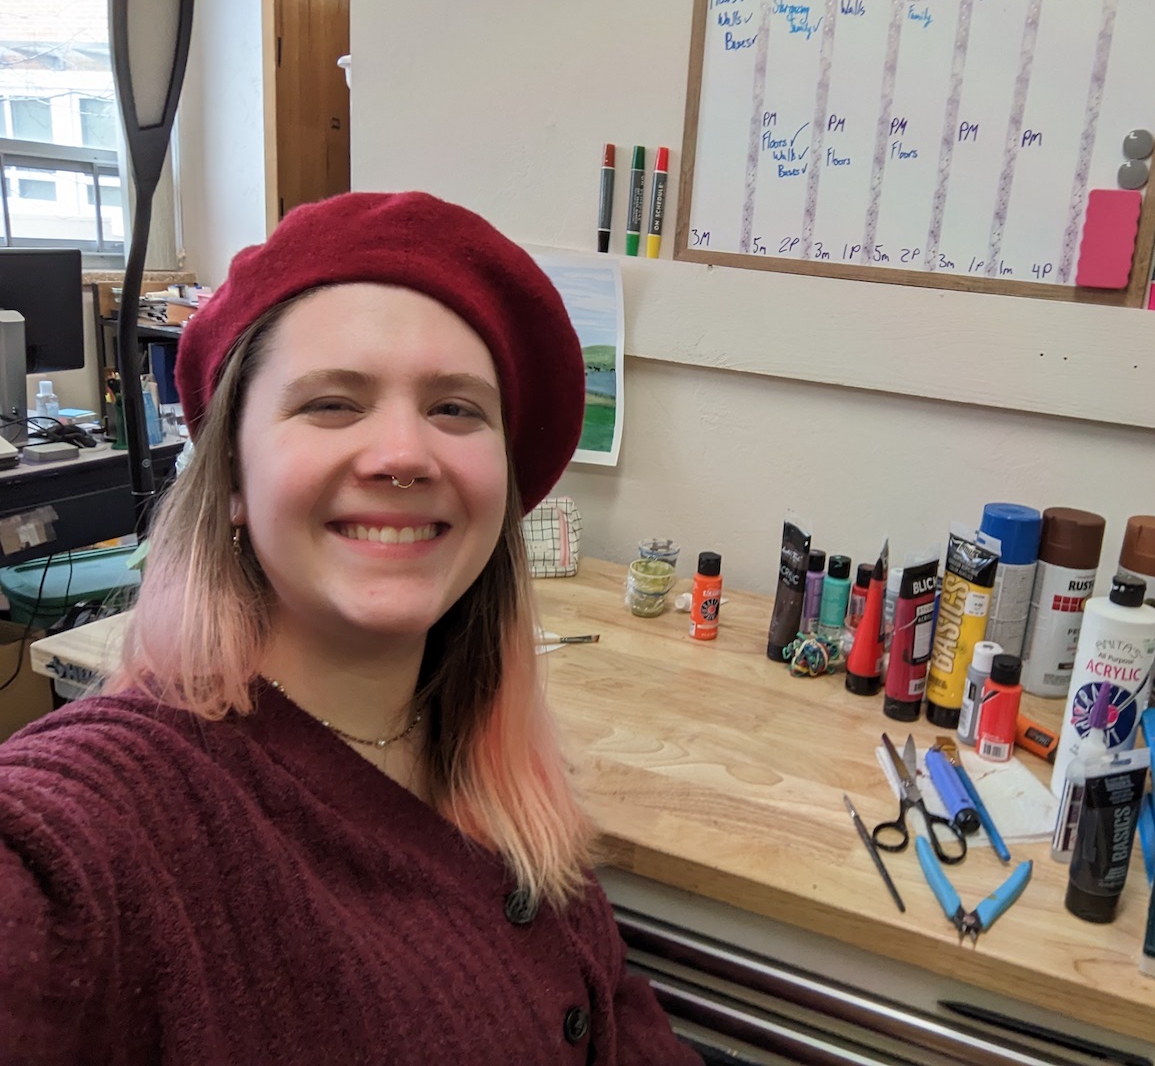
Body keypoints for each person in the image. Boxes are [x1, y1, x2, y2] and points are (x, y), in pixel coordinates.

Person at [0, 192, 703, 1064]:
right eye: (332, 403)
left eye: (456, 408)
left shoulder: (499, 769)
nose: (404, 454)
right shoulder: (113, 820)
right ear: (230, 477)